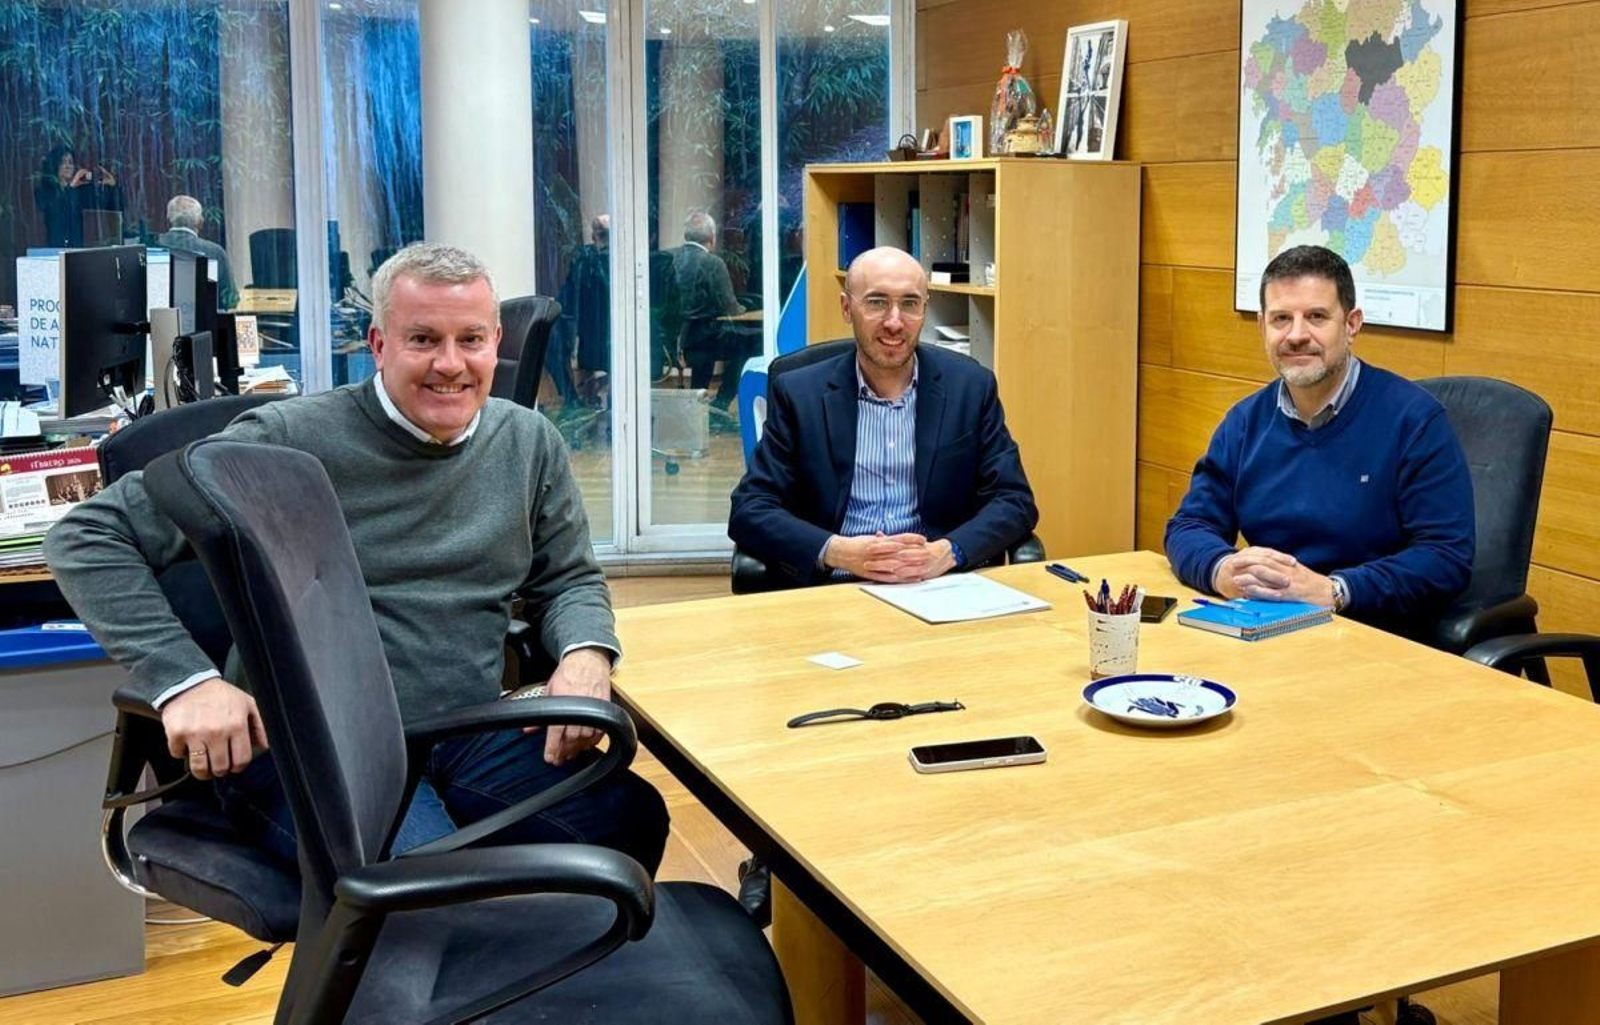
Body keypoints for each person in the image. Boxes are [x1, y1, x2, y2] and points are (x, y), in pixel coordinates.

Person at [44, 242, 669, 874]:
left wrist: (587, 654)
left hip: (462, 728)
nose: (451, 364)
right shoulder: (287, 439)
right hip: (311, 746)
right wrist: (186, 681)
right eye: (423, 339)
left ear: (496, 343)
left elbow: (569, 579)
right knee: (425, 888)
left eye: (471, 340)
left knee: (626, 821)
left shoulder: (528, 440)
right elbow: (87, 535)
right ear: (378, 344)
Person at [1163, 244, 1474, 637]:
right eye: (1281, 319)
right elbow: (1190, 525)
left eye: (1316, 317)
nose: (1296, 335)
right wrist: (1222, 569)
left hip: (1376, 636)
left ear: (1352, 324)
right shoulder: (1245, 422)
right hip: (1269, 628)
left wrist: (1334, 591)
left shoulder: (1414, 421)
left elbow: (1445, 555)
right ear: (1262, 327)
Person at [729, 245, 1038, 587]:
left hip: (940, 583)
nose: (894, 322)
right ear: (847, 308)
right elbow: (750, 508)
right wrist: (839, 551)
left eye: (910, 303)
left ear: (925, 309)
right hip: (836, 584)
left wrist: (947, 552)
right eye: (877, 302)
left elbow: (1015, 500)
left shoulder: (970, 387)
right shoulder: (799, 394)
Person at [673, 211, 746, 411]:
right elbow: (730, 308)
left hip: (673, 339)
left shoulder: (671, 259)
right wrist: (745, 308)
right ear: (712, 238)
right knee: (749, 347)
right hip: (705, 339)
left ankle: (700, 406)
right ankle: (721, 403)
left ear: (686, 235)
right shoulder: (713, 263)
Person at [556, 214, 612, 407]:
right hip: (607, 329)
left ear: (594, 236)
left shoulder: (583, 261)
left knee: (588, 369)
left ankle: (589, 403)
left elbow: (568, 296)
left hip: (589, 329)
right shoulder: (618, 262)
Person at [157, 194, 239, 310]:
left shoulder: (152, 248)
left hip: (159, 319)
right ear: (200, 222)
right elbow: (230, 300)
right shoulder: (215, 252)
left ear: (168, 219)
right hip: (206, 319)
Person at [34, 145, 123, 248]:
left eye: (70, 162)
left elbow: (107, 207)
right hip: (54, 250)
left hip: (77, 249)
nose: (68, 166)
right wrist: (72, 186)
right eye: (63, 162)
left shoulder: (79, 191)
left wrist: (112, 187)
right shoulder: (44, 191)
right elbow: (58, 213)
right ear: (55, 164)